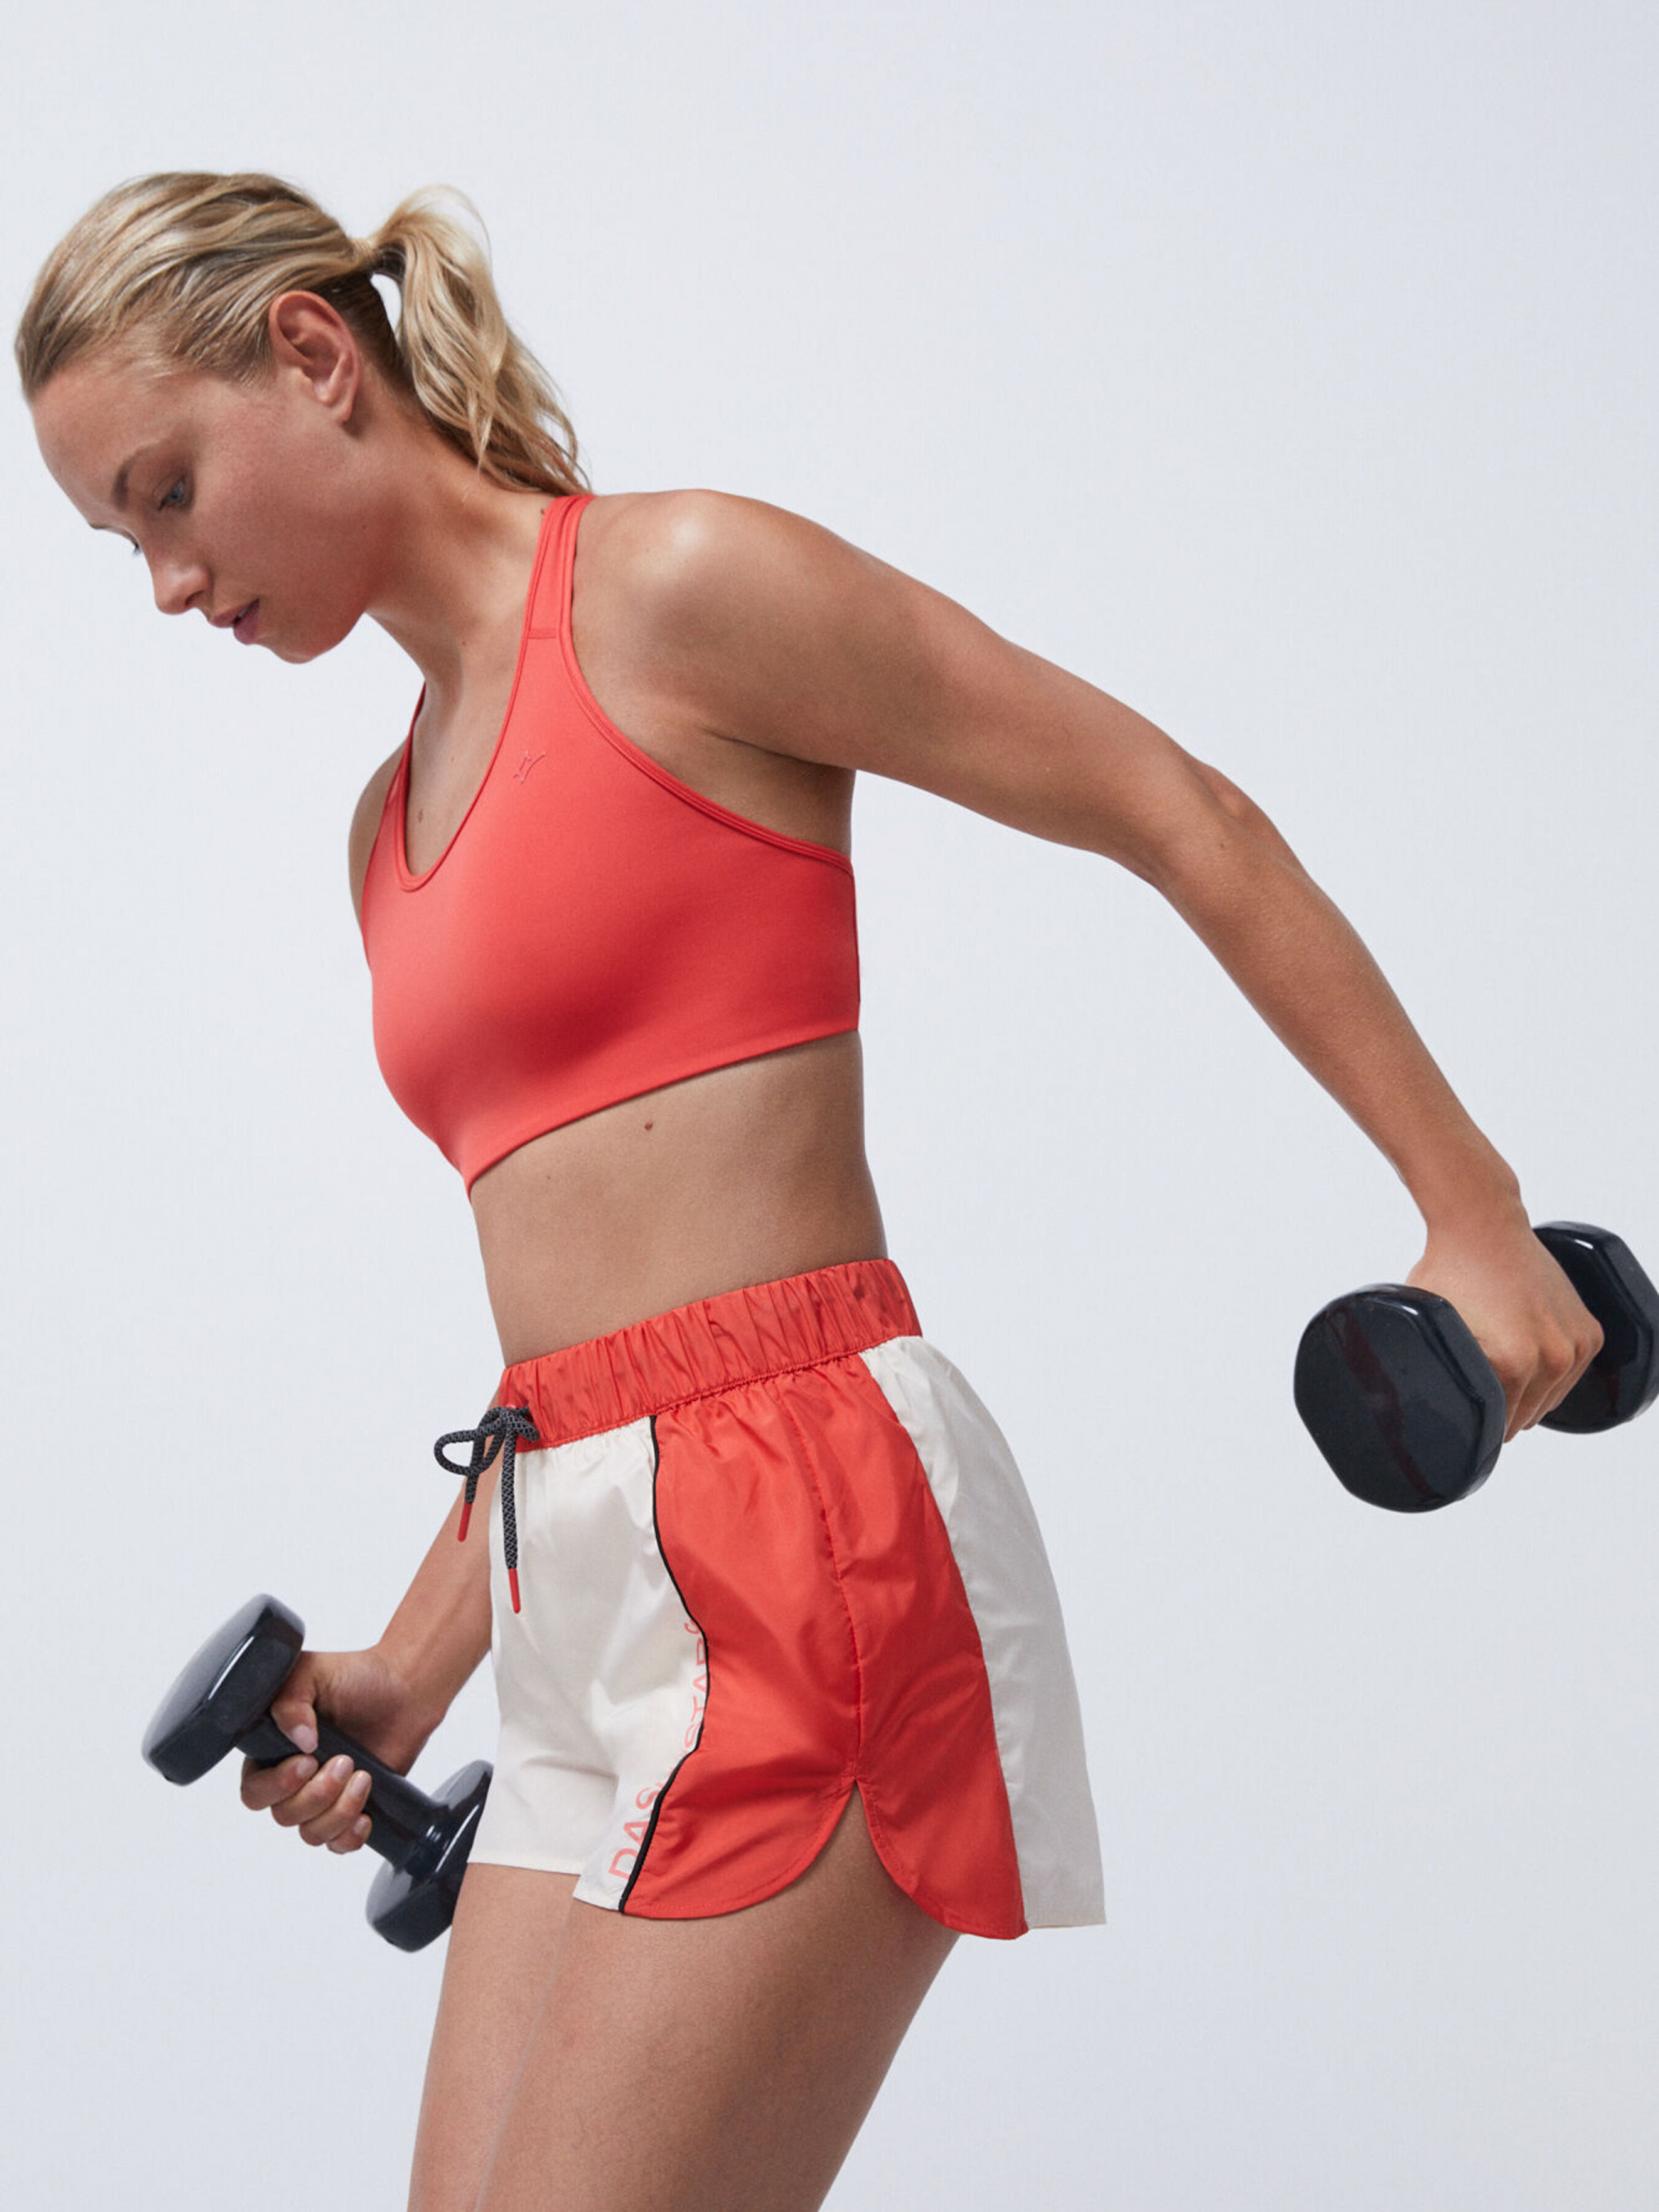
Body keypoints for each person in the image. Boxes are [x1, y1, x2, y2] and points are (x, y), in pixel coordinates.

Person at [19, 170, 1603, 2212]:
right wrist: (417, 1663)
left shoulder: (674, 589)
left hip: (803, 1534)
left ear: (314, 356)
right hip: (570, 1579)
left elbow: (1170, 808)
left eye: (166, 492)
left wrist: (1470, 1215)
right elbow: (581, 1331)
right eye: (119, 540)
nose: (166, 583)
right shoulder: (382, 830)